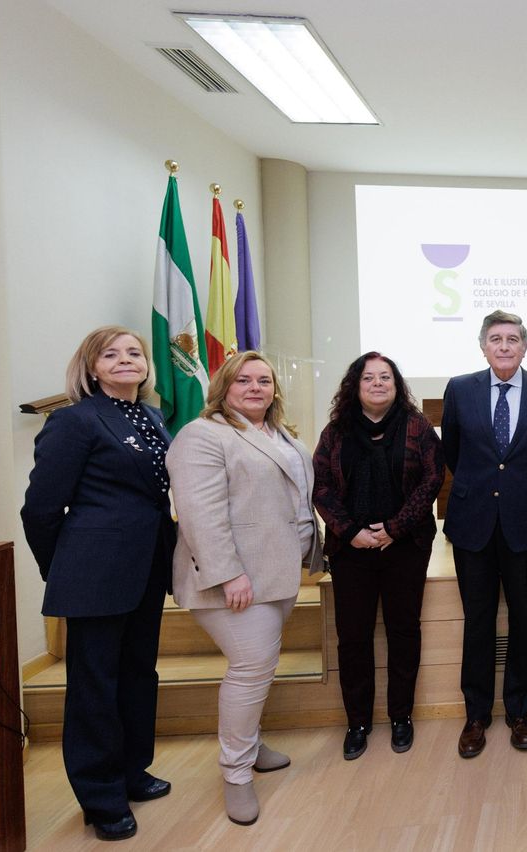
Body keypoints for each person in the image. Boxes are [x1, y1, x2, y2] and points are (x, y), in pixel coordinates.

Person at [20, 327, 177, 841]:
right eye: (111, 354)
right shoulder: (74, 420)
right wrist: (63, 567)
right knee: (95, 687)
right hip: (95, 573)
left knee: (138, 674)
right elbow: (40, 509)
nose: (126, 359)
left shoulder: (152, 416)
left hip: (147, 567)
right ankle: (101, 797)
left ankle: (133, 771)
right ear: (91, 367)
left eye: (135, 352)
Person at [168, 351, 323, 827]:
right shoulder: (202, 435)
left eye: (264, 380)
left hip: (278, 573)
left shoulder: (282, 434)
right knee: (251, 668)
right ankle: (235, 773)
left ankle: (251, 748)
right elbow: (200, 513)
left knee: (262, 666)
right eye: (243, 380)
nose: (255, 388)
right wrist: (228, 573)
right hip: (236, 581)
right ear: (223, 388)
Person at [440, 310, 527, 758]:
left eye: (513, 339)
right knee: (478, 621)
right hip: (473, 522)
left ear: (525, 347)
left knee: (524, 620)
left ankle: (519, 712)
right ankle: (476, 715)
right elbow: (452, 451)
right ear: (483, 346)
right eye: (496, 338)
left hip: (526, 523)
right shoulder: (460, 389)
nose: (505, 346)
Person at [311, 352, 444, 760]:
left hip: (405, 547)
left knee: (404, 631)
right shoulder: (335, 431)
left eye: (385, 377)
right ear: (355, 385)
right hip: (350, 550)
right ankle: (358, 723)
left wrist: (393, 529)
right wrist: (351, 532)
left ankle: (401, 716)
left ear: (396, 384)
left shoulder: (418, 427)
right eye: (368, 378)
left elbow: (432, 480)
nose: (377, 384)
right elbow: (320, 487)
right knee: (353, 637)